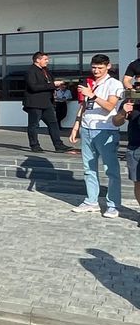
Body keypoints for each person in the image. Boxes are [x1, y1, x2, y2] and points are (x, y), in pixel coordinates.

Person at [70, 54, 124, 217]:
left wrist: (92, 94)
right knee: (89, 168)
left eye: (100, 68)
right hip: (87, 128)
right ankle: (91, 201)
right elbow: (85, 105)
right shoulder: (90, 83)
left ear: (108, 66)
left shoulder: (114, 84)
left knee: (111, 169)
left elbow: (109, 106)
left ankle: (113, 204)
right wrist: (76, 125)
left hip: (105, 129)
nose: (96, 70)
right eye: (94, 67)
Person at [23, 51, 75, 153]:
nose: (47, 61)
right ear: (38, 60)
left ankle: (59, 145)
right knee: (34, 125)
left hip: (47, 103)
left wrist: (55, 85)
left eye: (47, 59)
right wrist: (53, 85)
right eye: (45, 59)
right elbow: (33, 87)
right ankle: (35, 145)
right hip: (35, 103)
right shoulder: (31, 71)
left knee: (53, 123)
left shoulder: (46, 70)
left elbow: (49, 83)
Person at [112, 97, 140, 219]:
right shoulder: (131, 99)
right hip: (135, 147)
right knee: (138, 182)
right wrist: (124, 111)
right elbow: (116, 121)